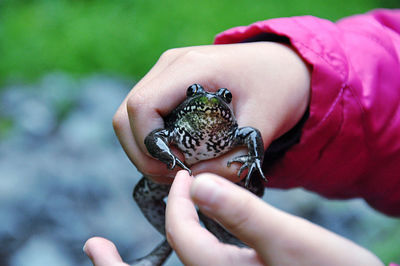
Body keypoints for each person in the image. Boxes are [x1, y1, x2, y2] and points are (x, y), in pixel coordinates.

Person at [84, 9, 400, 265]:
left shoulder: (235, 131)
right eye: (196, 93)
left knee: (221, 220)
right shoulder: (182, 125)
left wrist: (253, 157)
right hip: (175, 174)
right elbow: (155, 139)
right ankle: (168, 243)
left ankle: (193, 244)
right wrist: (303, 78)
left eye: (223, 96)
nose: (211, 98)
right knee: (144, 196)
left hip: (219, 182)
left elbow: (249, 132)